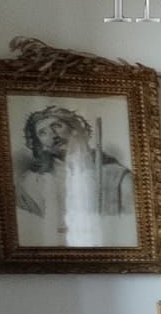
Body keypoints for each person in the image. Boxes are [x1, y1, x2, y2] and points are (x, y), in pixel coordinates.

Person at [13, 104, 134, 248]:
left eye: (57, 126)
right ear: (40, 144)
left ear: (75, 129)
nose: (53, 135)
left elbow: (129, 226)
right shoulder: (29, 184)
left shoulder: (117, 176)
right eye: (42, 133)